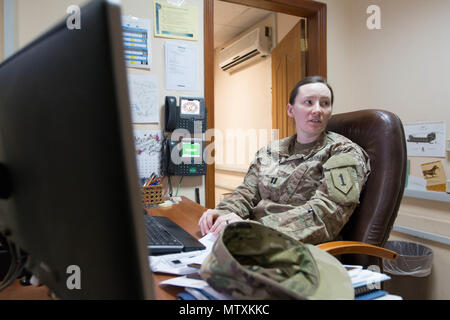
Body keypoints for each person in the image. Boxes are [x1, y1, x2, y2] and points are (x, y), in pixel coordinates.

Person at [199, 76, 371, 245]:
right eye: (308, 102)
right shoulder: (270, 151)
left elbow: (327, 214)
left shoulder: (344, 153)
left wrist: (253, 229)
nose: (318, 110)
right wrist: (222, 212)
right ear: (290, 110)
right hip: (252, 239)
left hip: (300, 248)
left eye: (325, 103)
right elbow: (247, 193)